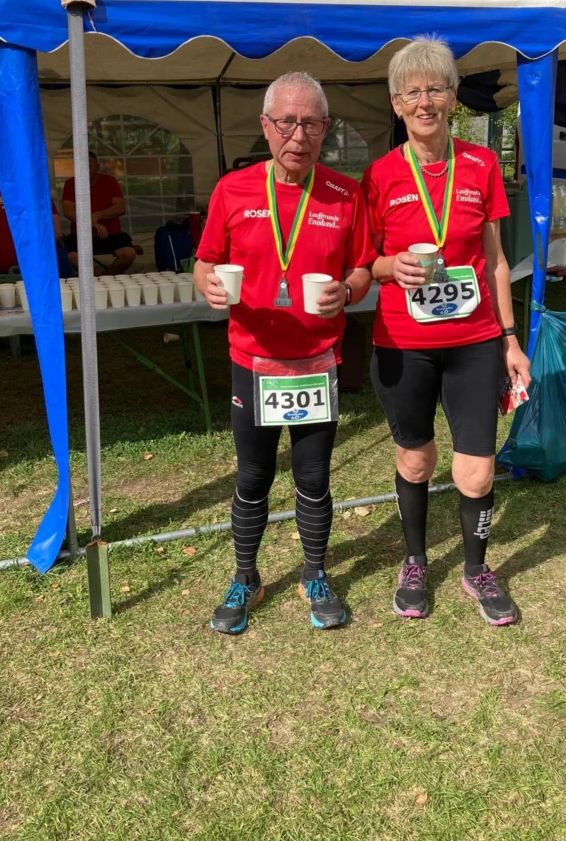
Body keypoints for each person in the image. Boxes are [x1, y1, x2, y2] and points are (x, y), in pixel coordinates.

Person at [194, 71, 374, 635]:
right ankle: (246, 576)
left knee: (313, 475)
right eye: (287, 122)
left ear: (326, 129)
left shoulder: (346, 194)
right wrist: (207, 283)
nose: (299, 135)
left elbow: (364, 269)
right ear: (266, 127)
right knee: (252, 476)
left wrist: (347, 291)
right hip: (253, 360)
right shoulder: (234, 190)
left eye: (312, 123)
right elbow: (204, 261)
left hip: (317, 361)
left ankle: (315, 572)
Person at [363, 37, 531, 626]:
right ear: (396, 103)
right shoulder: (380, 175)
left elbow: (496, 262)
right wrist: (390, 267)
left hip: (474, 340)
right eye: (413, 92)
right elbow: (365, 265)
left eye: (436, 88)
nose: (425, 101)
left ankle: (476, 568)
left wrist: (511, 339)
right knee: (415, 460)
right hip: (404, 342)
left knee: (477, 468)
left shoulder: (481, 165)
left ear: (453, 98)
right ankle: (415, 560)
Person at [0, 186, 73, 284]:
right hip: (38, 262)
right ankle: (68, 288)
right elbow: (57, 233)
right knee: (60, 253)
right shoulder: (39, 194)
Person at [62, 152, 136, 274]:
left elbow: (120, 208)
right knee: (73, 257)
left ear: (97, 167)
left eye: (89, 166)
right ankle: (95, 279)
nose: (85, 170)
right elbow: (68, 212)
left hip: (111, 233)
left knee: (128, 254)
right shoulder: (71, 183)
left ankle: (107, 277)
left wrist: (97, 215)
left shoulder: (109, 181)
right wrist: (92, 223)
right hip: (81, 235)